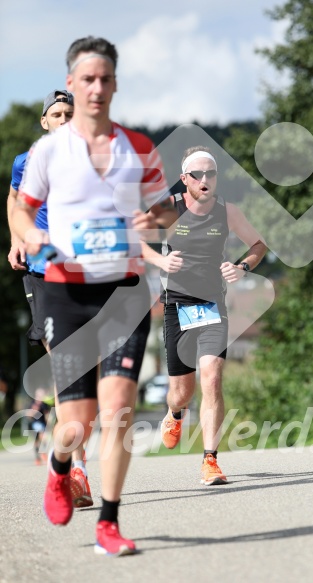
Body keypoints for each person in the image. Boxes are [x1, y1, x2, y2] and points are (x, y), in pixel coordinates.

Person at [12, 36, 174, 556]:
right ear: (73, 83)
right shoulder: (46, 152)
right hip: (65, 293)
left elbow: (167, 208)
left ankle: (109, 520)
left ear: (116, 84)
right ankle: (61, 469)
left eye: (106, 78)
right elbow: (20, 207)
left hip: (125, 291)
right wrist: (28, 235)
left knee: (120, 407)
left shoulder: (139, 148)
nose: (97, 88)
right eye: (87, 79)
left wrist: (158, 218)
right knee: (75, 424)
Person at [143, 145, 267, 485]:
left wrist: (242, 267)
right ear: (184, 179)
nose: (204, 179)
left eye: (210, 173)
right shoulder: (169, 208)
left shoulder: (227, 212)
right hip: (176, 305)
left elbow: (258, 244)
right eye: (197, 174)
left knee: (211, 376)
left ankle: (210, 460)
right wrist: (159, 261)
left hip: (211, 304)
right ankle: (175, 413)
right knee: (181, 392)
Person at [7, 89, 93, 506]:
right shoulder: (26, 162)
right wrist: (15, 240)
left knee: (80, 370)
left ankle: (73, 458)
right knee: (64, 362)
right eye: (56, 113)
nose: (63, 118)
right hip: (42, 274)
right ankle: (76, 468)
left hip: (84, 273)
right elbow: (14, 200)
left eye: (69, 113)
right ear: (45, 121)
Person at [27, 388, 51, 465]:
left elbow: (47, 415)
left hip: (42, 424)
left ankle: (43, 453)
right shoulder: (32, 404)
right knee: (36, 442)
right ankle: (37, 457)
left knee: (43, 439)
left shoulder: (44, 405)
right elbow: (29, 416)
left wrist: (49, 423)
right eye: (40, 395)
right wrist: (34, 410)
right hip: (34, 424)